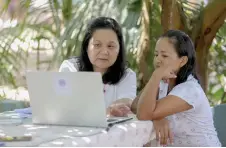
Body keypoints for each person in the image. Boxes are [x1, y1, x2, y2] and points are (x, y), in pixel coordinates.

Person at [131, 30, 221, 147]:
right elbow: (135, 106)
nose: (158, 60)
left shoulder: (190, 90)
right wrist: (157, 117)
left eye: (164, 55)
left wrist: (155, 76)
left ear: (182, 61)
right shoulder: (164, 82)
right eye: (156, 54)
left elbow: (143, 114)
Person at [59, 17, 136, 117]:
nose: (104, 52)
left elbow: (127, 101)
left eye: (110, 46)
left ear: (119, 49)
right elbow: (64, 106)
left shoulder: (127, 75)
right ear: (86, 47)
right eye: (97, 45)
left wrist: (121, 106)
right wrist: (106, 112)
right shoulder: (70, 68)